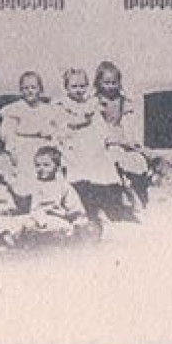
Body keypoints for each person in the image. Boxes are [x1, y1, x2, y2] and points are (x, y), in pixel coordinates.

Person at [57, 67, 127, 228]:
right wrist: (75, 125)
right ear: (66, 88)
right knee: (77, 162)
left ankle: (101, 206)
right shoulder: (63, 105)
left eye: (82, 86)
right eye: (74, 87)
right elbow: (60, 126)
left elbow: (100, 127)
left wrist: (106, 140)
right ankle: (83, 208)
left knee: (101, 159)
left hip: (91, 141)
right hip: (72, 141)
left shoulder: (91, 105)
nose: (79, 90)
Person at [94, 60, 151, 213]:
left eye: (114, 82)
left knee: (136, 158)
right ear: (99, 83)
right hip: (104, 135)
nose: (111, 86)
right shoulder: (97, 101)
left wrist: (131, 140)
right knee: (113, 158)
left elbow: (127, 121)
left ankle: (134, 188)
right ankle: (124, 191)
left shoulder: (121, 100)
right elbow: (97, 124)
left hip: (119, 134)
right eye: (106, 83)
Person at [27, 145, 90, 240]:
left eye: (46, 165)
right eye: (37, 165)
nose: (41, 168)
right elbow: (34, 207)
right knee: (27, 225)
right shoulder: (36, 185)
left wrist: (66, 214)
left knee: (65, 227)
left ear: (57, 167)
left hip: (58, 217)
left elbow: (75, 207)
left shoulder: (63, 186)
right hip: (39, 218)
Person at [0, 71, 55, 160]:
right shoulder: (14, 109)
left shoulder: (48, 109)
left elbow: (54, 130)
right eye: (25, 88)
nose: (29, 91)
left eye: (33, 87)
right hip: (21, 146)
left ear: (40, 89)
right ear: (21, 90)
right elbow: (6, 134)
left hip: (43, 146)